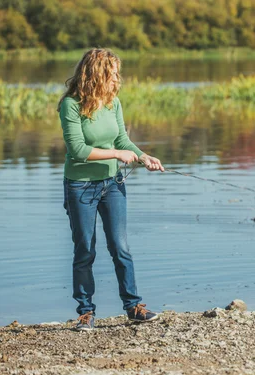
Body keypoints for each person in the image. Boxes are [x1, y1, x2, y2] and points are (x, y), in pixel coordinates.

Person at [58, 48, 164, 331]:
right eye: (113, 72)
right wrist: (116, 155)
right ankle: (86, 312)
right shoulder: (70, 105)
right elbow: (78, 150)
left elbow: (121, 138)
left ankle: (134, 307)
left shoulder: (112, 102)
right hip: (80, 187)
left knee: (120, 247)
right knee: (85, 250)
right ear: (97, 74)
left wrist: (143, 156)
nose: (118, 77)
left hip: (112, 185)